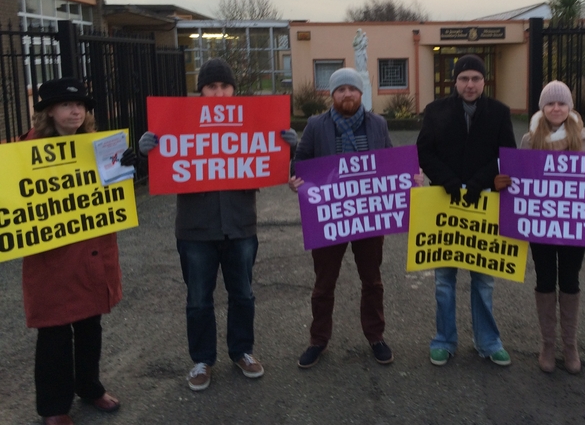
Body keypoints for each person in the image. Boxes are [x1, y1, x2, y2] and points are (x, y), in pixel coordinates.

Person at [138, 58, 298, 391]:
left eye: (225, 86)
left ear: (233, 90)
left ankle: (242, 351)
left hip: (240, 225)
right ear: (201, 92)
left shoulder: (253, 122)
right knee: (198, 298)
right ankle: (202, 360)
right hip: (196, 229)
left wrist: (289, 148)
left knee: (243, 294)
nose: (219, 92)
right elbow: (152, 171)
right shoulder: (178, 124)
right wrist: (145, 152)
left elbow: (274, 162)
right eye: (212, 86)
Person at [21, 77, 136, 425]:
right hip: (52, 257)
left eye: (81, 106)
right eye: (67, 105)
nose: (76, 110)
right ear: (49, 112)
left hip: (92, 253)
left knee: (90, 324)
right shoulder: (26, 151)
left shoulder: (98, 146)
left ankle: (89, 386)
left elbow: (113, 195)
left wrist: (127, 169)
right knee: (55, 330)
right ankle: (54, 406)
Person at [289, 67, 395, 368]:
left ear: (361, 93)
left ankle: (376, 336)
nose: (347, 94)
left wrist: (408, 176)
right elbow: (301, 161)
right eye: (340, 89)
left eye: (352, 89)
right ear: (332, 94)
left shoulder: (378, 124)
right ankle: (318, 340)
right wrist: (296, 179)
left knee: (372, 280)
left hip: (369, 215)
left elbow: (389, 160)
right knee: (324, 283)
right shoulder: (315, 125)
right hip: (329, 215)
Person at [416, 54, 517, 366]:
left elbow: (507, 154)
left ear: (484, 81)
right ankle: (444, 340)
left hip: (483, 202)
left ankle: (488, 341)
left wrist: (477, 182)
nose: (470, 84)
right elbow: (423, 151)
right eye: (464, 78)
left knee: (483, 279)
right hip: (443, 201)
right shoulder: (435, 111)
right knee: (444, 280)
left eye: (475, 78)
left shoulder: (499, 113)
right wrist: (448, 180)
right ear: (455, 81)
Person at [495, 80, 585, 374]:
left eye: (561, 103)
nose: (556, 108)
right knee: (545, 277)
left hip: (574, 222)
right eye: (550, 103)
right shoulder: (529, 139)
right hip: (540, 222)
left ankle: (570, 345)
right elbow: (519, 177)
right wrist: (504, 180)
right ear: (542, 107)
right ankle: (548, 344)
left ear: (569, 106)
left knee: (570, 279)